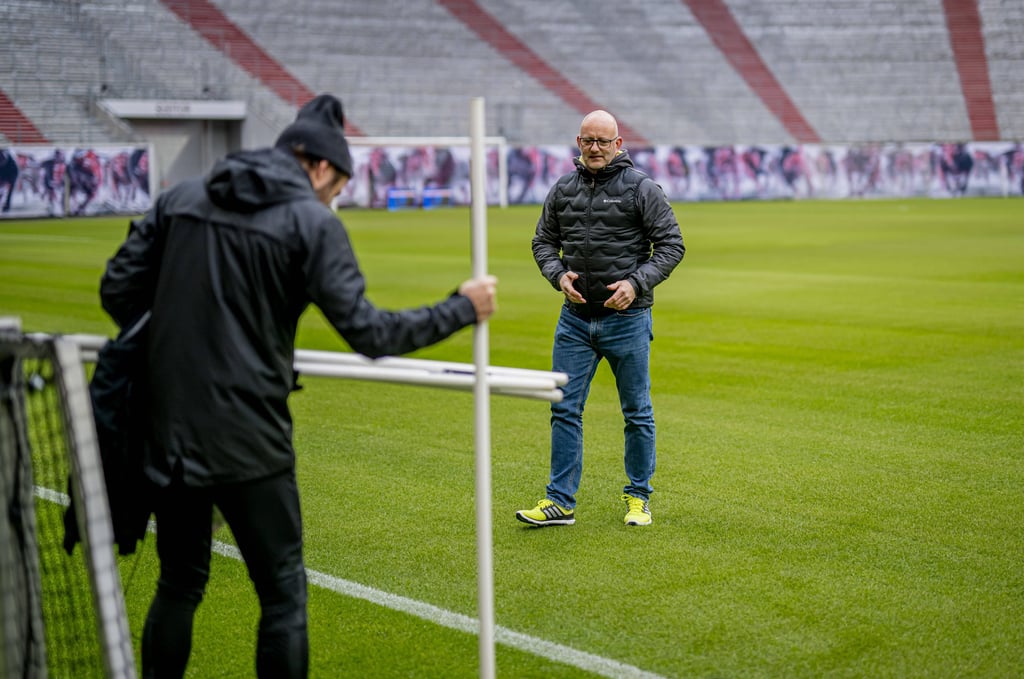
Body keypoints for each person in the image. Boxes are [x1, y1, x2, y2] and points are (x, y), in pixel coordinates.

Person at [99, 94, 497, 678]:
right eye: (336, 189)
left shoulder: (182, 197)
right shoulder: (311, 222)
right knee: (283, 594)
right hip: (249, 437)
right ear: (320, 167)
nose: (332, 201)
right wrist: (462, 307)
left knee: (179, 582)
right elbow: (370, 333)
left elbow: (117, 291)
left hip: (168, 430)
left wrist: (187, 339)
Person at [517, 110, 684, 528]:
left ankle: (638, 498)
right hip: (574, 321)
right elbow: (543, 241)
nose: (594, 148)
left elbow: (671, 245)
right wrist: (557, 275)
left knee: (636, 412)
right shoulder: (563, 188)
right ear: (578, 142)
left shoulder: (641, 189)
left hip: (627, 319)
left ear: (618, 144)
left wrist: (636, 284)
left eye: (602, 141)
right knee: (564, 409)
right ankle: (560, 502)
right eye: (588, 141)